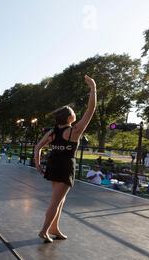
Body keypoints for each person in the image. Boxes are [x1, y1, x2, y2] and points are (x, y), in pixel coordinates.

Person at [34, 75, 97, 243]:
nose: (76, 114)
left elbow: (37, 147)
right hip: (64, 167)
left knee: (60, 199)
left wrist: (38, 164)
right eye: (73, 113)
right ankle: (44, 230)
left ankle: (54, 228)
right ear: (69, 118)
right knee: (56, 201)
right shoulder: (74, 131)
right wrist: (93, 89)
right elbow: (90, 111)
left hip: (54, 165)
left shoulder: (52, 132)